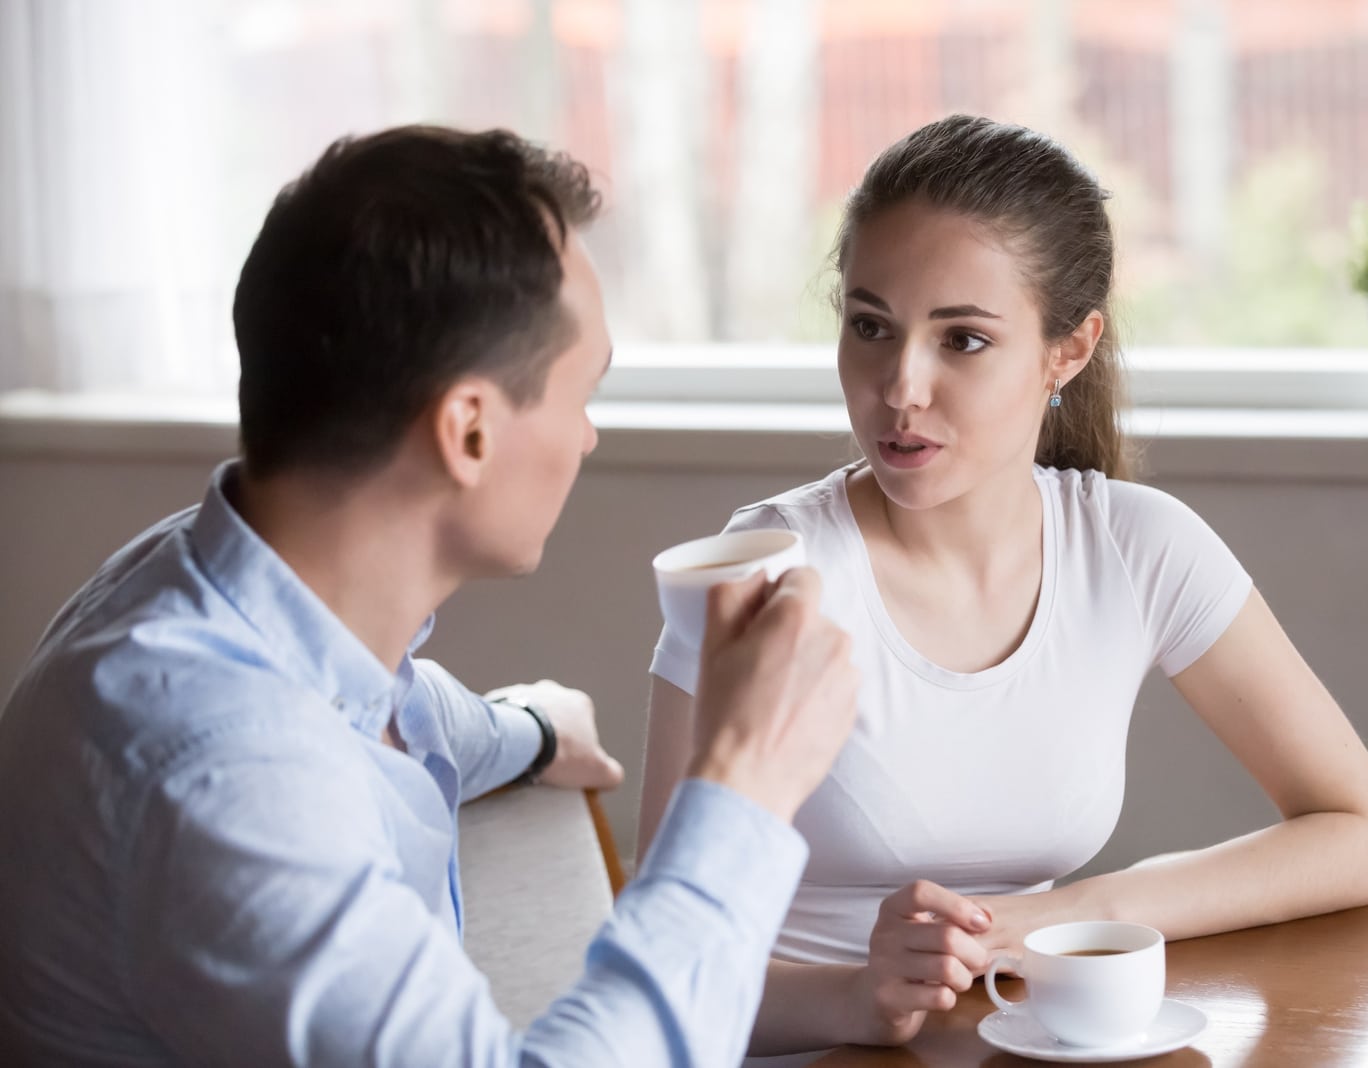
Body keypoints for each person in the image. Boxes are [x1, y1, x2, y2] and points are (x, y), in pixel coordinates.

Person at [0, 126, 858, 1067]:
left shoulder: (219, 578)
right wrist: (743, 782)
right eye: (582, 395)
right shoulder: (224, 775)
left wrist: (530, 729)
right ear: (470, 432)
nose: (587, 440)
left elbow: (386, 705)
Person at [637, 114, 1368, 1057]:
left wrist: (1075, 916)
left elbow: (1366, 833)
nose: (899, 388)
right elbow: (661, 966)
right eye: (869, 326)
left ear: (1068, 351)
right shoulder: (767, 568)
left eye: (961, 340)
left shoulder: (1136, 545)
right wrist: (856, 997)